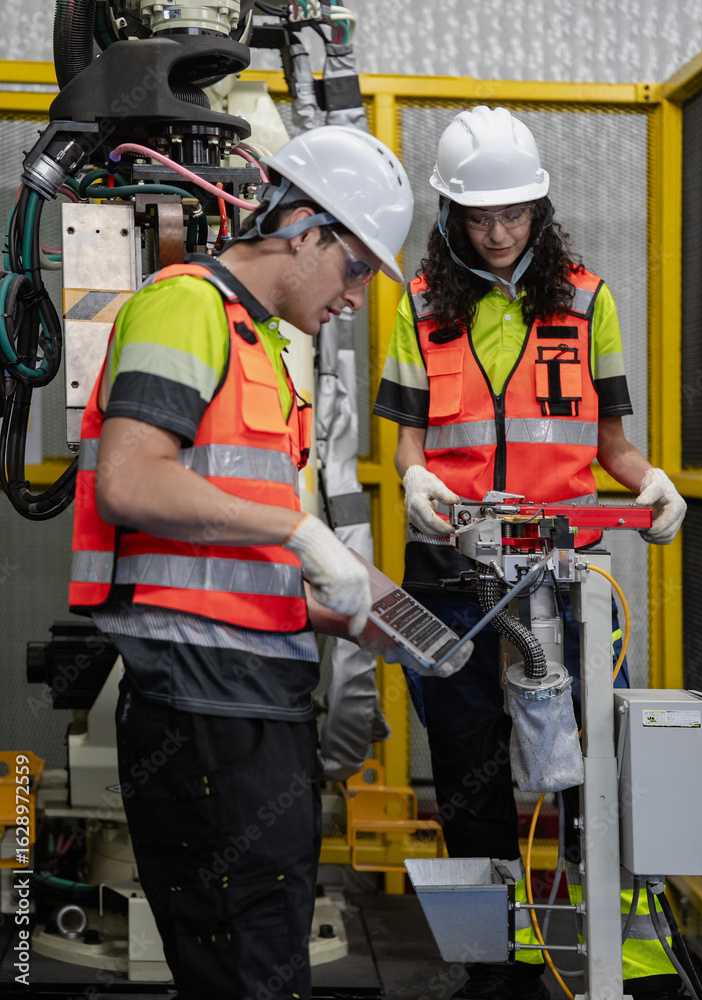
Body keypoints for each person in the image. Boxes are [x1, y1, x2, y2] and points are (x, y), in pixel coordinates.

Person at [68, 124, 413, 1000]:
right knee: (248, 970)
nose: (356, 296)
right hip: (202, 709)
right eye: (356, 267)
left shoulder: (260, 346)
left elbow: (235, 542)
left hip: (248, 701)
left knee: (264, 960)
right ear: (303, 231)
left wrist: (367, 613)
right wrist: (303, 536)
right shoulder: (185, 307)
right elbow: (131, 480)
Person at [373, 106, 687, 1000]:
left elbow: (611, 445)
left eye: (515, 214)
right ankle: (495, 964)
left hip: (566, 576)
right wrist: (413, 482)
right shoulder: (422, 308)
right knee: (469, 770)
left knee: (596, 762)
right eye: (481, 217)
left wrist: (648, 480)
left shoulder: (587, 298)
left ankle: (622, 951)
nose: (501, 232)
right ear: (448, 216)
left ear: (539, 209)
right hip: (451, 575)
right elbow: (408, 444)